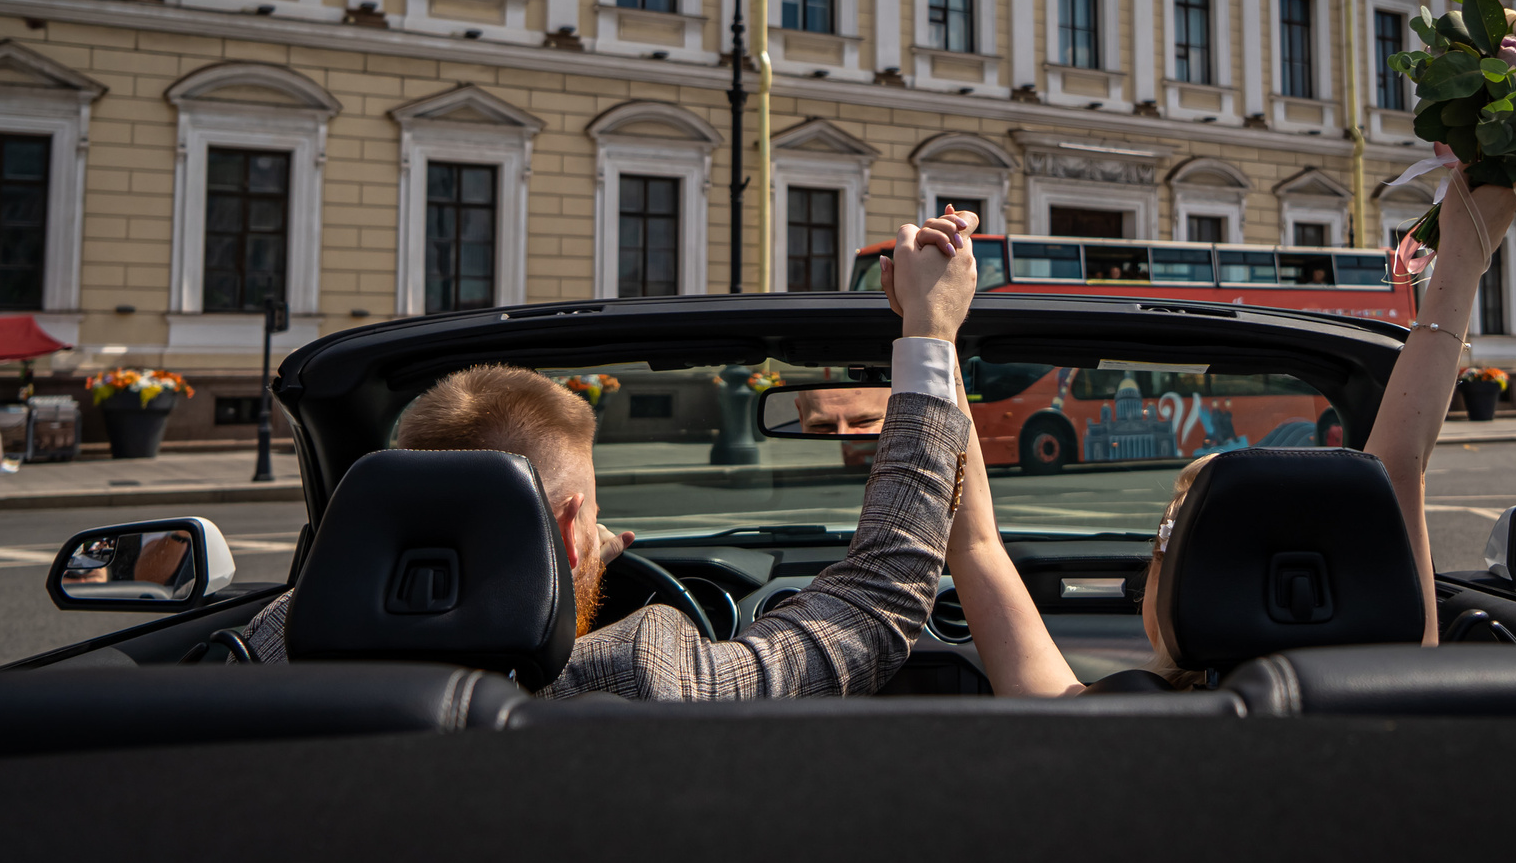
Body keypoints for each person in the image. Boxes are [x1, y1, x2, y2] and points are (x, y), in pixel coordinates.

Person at [239, 208, 981, 699]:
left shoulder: (273, 649)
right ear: (565, 529)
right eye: (592, 519)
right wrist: (931, 329)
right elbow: (873, 603)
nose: (607, 537)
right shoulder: (639, 670)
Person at [944, 169, 1516, 693]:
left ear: (1183, 584)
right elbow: (1399, 462)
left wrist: (935, 330)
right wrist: (1463, 256)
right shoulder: (1396, 681)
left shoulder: (1110, 720)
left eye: (1170, 540)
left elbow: (974, 544)